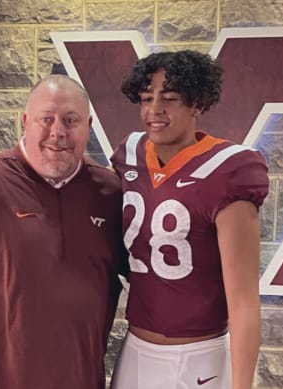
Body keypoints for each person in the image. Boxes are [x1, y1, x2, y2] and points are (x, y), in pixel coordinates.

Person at [0, 75, 127, 389]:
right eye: (46, 119)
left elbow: (149, 276)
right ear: (25, 121)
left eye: (71, 120)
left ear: (89, 125)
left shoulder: (111, 193)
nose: (57, 132)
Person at [109, 50, 269, 389]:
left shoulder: (230, 169)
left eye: (170, 99)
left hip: (199, 355)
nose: (155, 110)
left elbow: (243, 301)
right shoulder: (130, 154)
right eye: (146, 98)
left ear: (196, 104)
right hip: (136, 348)